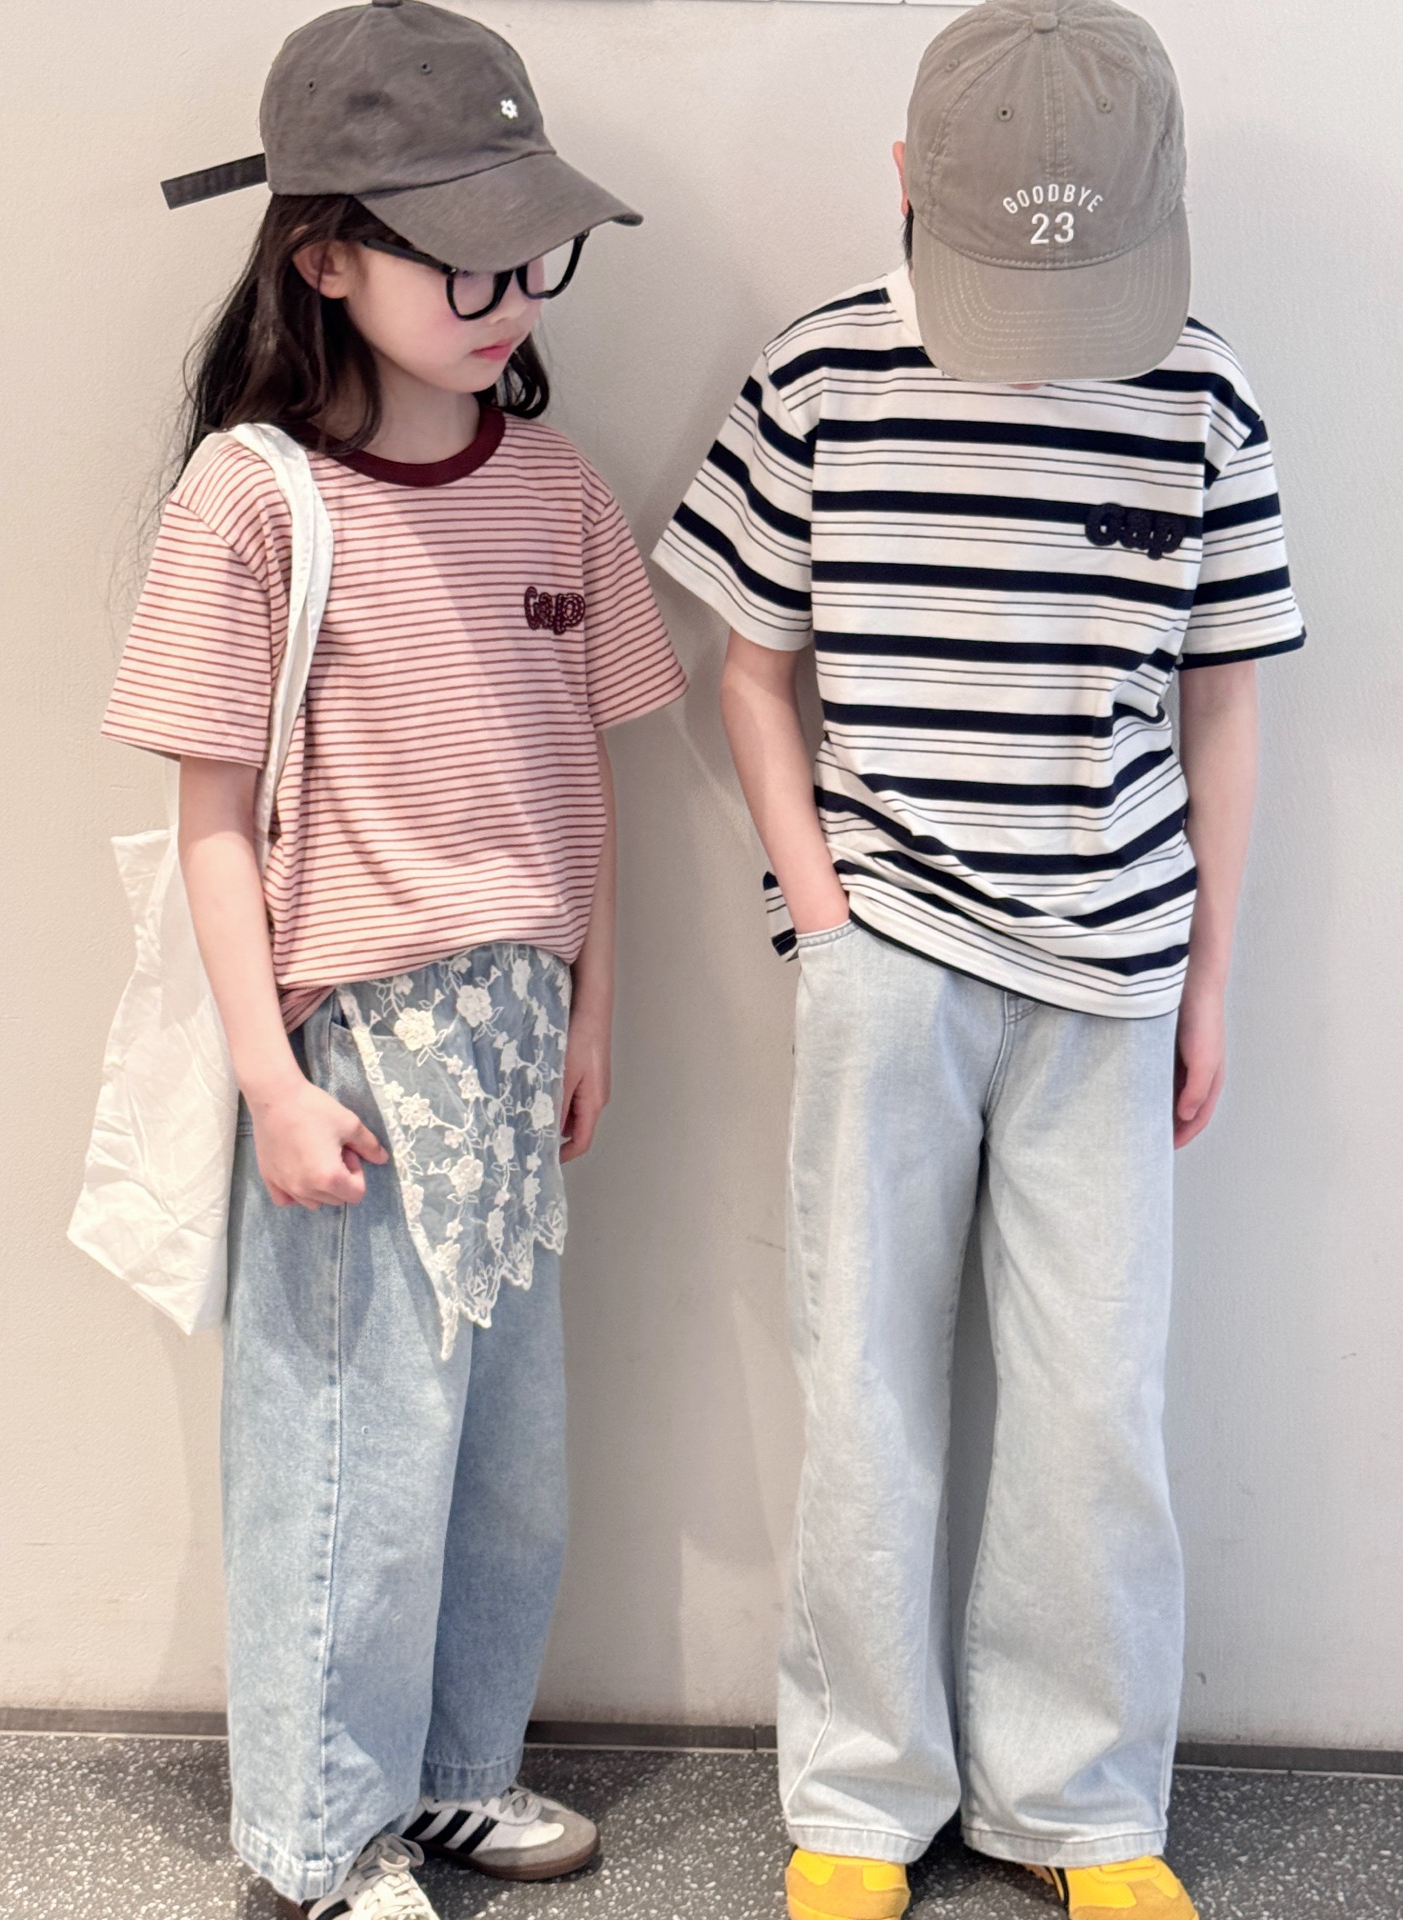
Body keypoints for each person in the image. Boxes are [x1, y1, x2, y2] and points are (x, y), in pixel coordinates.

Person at [655, 4, 1303, 1917]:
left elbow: (1224, 704)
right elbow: (750, 667)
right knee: (862, 1380)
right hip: (890, 956)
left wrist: (1211, 975)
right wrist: (821, 903)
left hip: (1115, 965)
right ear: (906, 184)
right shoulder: (822, 373)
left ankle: (1082, 1806)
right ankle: (860, 1803)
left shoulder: (1201, 395)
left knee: (1096, 1404)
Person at [100, 5, 686, 1915]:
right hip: (350, 1046)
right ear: (325, 259)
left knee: (507, 1463)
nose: (509, 298)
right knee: (346, 1460)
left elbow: (585, 782)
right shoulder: (252, 499)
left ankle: (447, 1778)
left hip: (519, 1034)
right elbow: (211, 815)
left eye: (532, 256)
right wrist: (270, 1080)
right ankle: (315, 1835)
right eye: (465, 259)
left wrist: (596, 1009)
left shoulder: (558, 489)